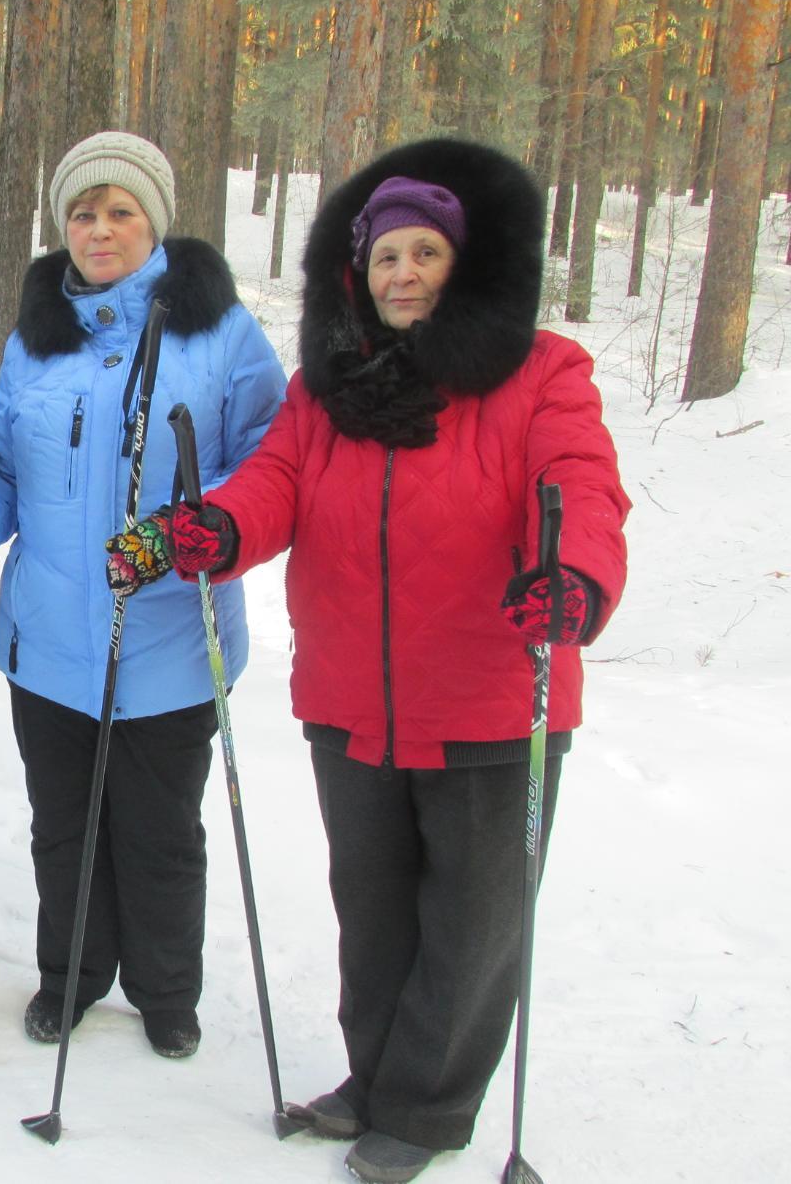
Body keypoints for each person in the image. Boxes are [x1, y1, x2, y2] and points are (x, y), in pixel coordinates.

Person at [123, 139, 630, 1183]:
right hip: (351, 701)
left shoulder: (542, 373)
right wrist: (218, 528)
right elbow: (275, 482)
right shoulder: (329, 388)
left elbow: (582, 485)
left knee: (472, 925)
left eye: (425, 254)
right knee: (374, 911)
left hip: (493, 702)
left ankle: (429, 1109)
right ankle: (374, 1077)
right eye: (386, 256)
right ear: (359, 273)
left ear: (463, 263)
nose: (403, 273)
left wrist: (570, 576)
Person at [0, 131, 286, 1058]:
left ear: (153, 223)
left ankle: (168, 993)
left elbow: (271, 464)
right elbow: (7, 469)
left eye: (121, 210)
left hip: (167, 636)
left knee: (160, 833)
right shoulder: (35, 342)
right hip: (47, 638)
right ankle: (71, 977)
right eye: (83, 211)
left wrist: (193, 536)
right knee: (64, 829)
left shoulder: (222, 335)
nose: (100, 227)